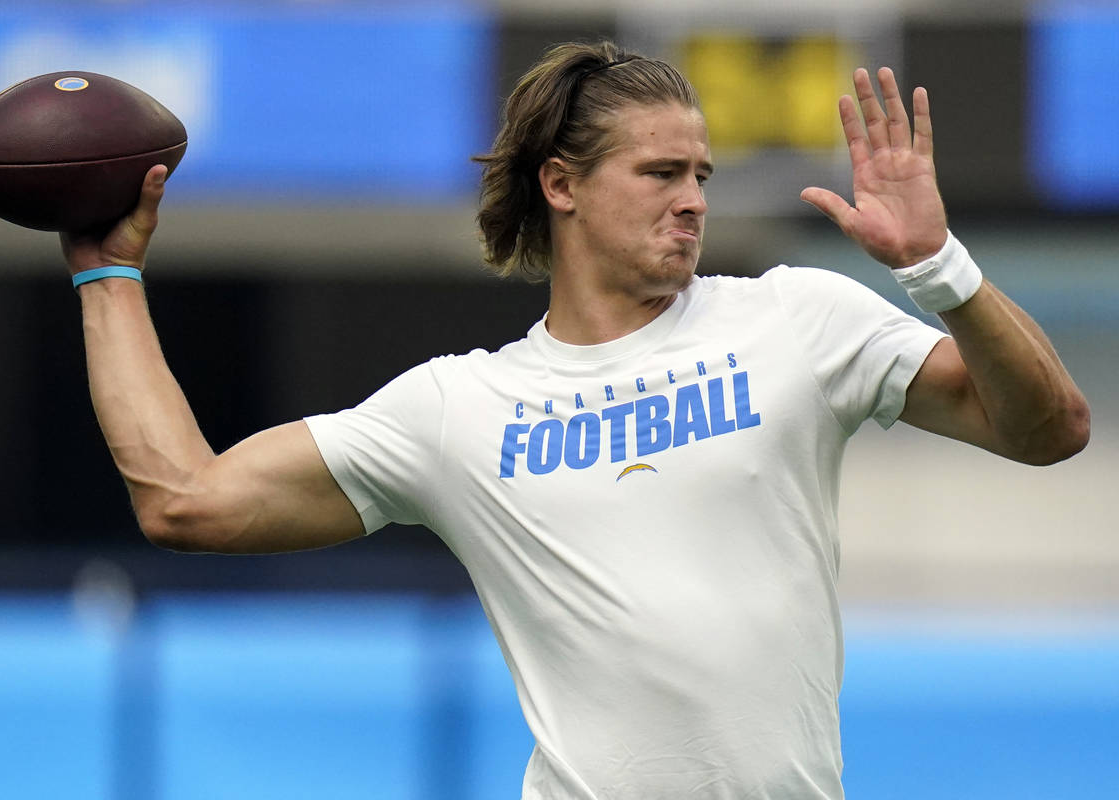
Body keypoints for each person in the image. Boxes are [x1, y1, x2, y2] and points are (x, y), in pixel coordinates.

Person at [61, 41, 1088, 800]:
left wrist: (936, 267)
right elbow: (185, 500)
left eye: (700, 176)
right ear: (561, 183)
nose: (691, 200)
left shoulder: (795, 318)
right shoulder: (458, 407)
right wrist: (109, 274)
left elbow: (1049, 428)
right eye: (658, 173)